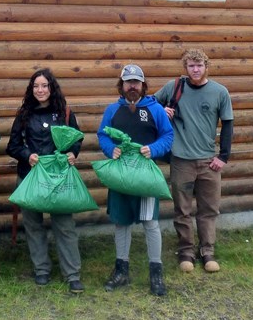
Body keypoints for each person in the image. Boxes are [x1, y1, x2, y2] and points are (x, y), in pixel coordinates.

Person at [154, 48, 234, 273]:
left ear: (206, 66)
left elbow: (227, 124)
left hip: (209, 162)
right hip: (181, 160)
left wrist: (223, 156)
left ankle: (207, 251)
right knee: (183, 210)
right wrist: (162, 110)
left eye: (199, 65)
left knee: (209, 209)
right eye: (191, 65)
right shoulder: (174, 87)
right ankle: (186, 251)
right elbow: (149, 104)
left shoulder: (220, 92)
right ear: (185, 68)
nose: (195, 69)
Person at [97, 64, 174, 296]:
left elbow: (168, 135)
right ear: (121, 85)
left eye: (136, 82)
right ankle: (121, 271)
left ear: (143, 85)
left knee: (150, 222)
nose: (132, 86)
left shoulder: (155, 109)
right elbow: (103, 134)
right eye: (128, 82)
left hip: (145, 176)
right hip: (121, 175)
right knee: (121, 222)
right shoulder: (112, 110)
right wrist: (111, 150)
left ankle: (156, 273)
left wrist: (154, 148)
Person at [6, 68, 85, 294]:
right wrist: (26, 156)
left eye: (44, 86)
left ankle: (72, 274)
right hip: (30, 177)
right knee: (33, 225)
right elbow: (12, 146)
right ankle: (41, 269)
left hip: (58, 179)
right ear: (32, 90)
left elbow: (76, 139)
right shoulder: (24, 115)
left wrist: (73, 153)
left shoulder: (65, 113)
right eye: (36, 86)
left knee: (64, 225)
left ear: (52, 88)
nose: (40, 90)